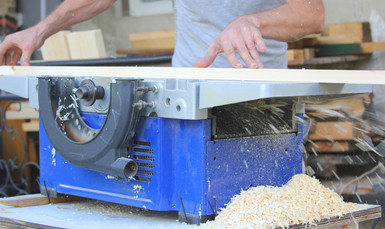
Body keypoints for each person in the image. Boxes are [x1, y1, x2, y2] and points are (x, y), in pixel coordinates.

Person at [0, 0, 324, 68]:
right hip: (188, 98)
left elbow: (313, 15)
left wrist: (252, 21)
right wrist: (40, 31)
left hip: (260, 102)